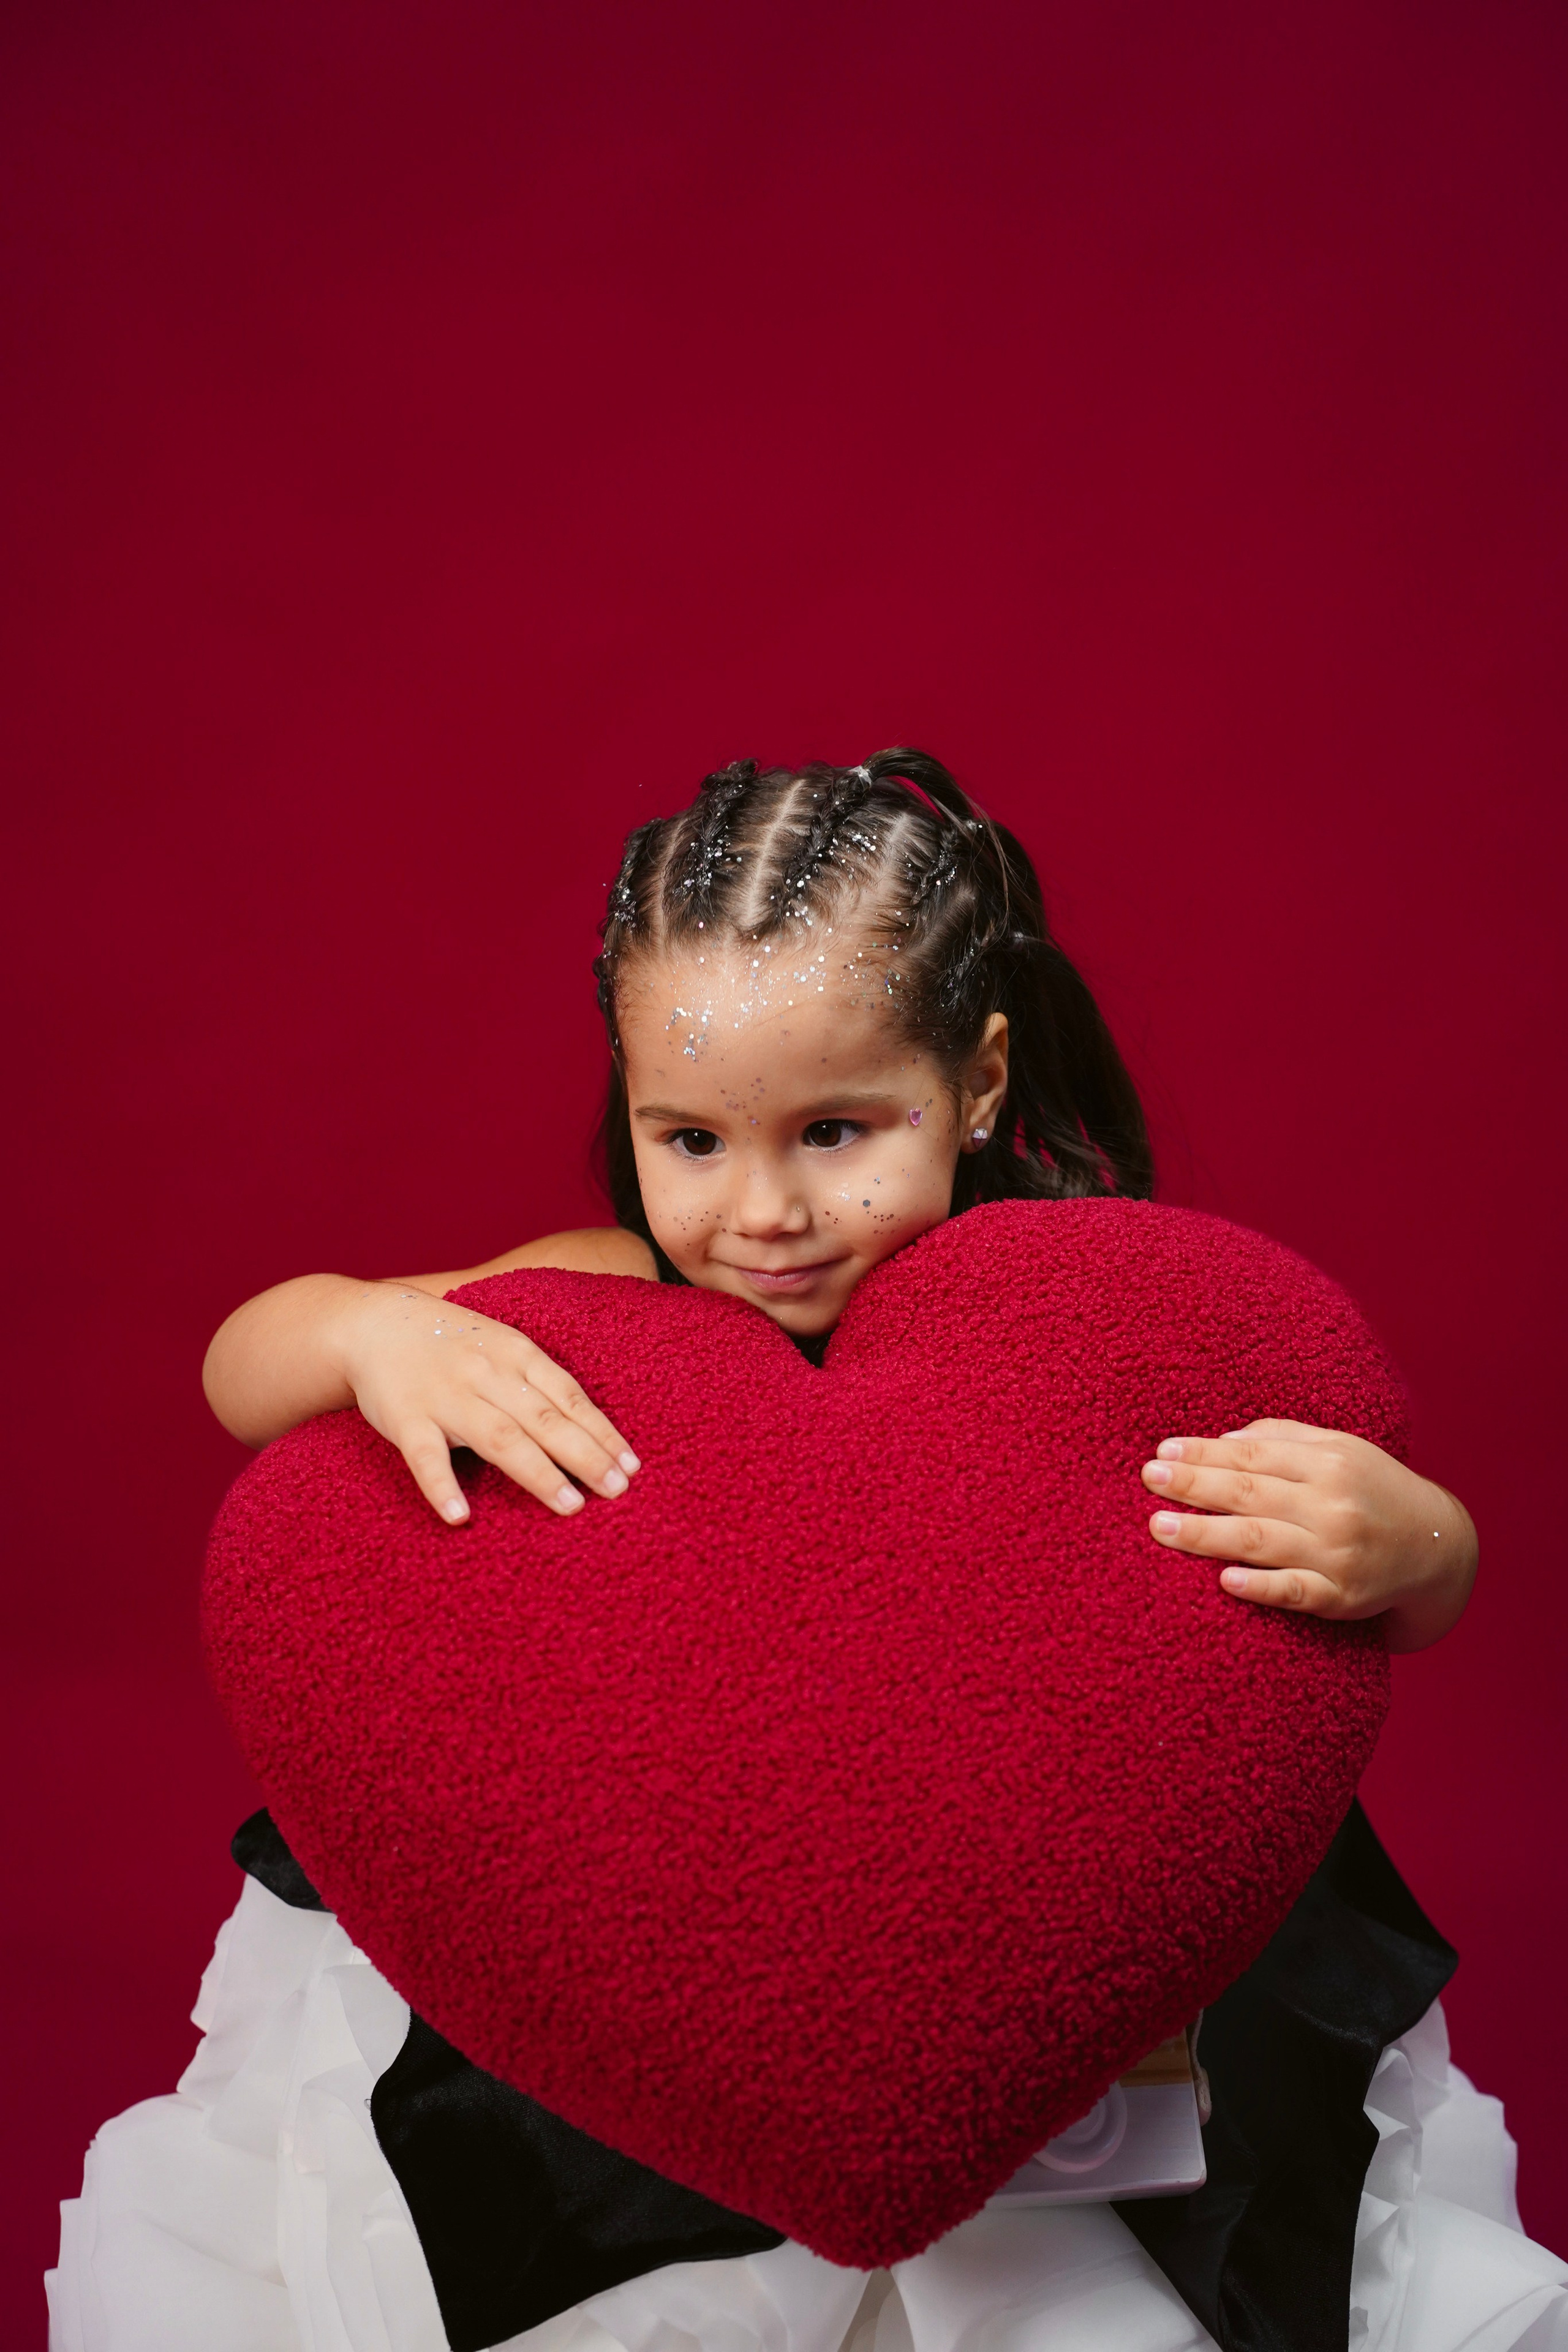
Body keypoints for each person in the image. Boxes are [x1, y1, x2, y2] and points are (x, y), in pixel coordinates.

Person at [48, 753, 1565, 2352]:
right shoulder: (599, 1293)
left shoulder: (1105, 1338)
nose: (761, 1209)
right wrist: (365, 1335)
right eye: (689, 1138)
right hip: (660, 1963)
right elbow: (242, 1364)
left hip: (1059, 1980)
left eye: (836, 1131)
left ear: (976, 1082)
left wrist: (1420, 1537)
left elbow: (1388, 1603)